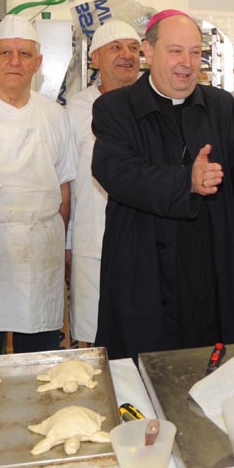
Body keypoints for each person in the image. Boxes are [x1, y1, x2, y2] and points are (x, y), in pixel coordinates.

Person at [92, 10, 234, 360]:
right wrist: (185, 182)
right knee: (143, 374)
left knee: (215, 368)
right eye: (176, 51)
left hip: (211, 268)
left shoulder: (219, 105)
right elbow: (115, 171)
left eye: (195, 53)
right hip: (145, 268)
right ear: (149, 51)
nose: (187, 63)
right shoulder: (115, 108)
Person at [0, 15, 75, 355]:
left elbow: (64, 188)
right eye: (5, 53)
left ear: (38, 63)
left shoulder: (55, 115)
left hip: (40, 253)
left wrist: (58, 243)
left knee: (38, 357)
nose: (15, 61)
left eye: (25, 54)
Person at [64, 18, 141, 346]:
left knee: (140, 330)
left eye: (134, 48)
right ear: (95, 57)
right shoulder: (76, 109)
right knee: (93, 335)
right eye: (116, 48)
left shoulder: (152, 102)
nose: (127, 55)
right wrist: (67, 243)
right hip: (90, 241)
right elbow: (67, 180)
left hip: (144, 242)